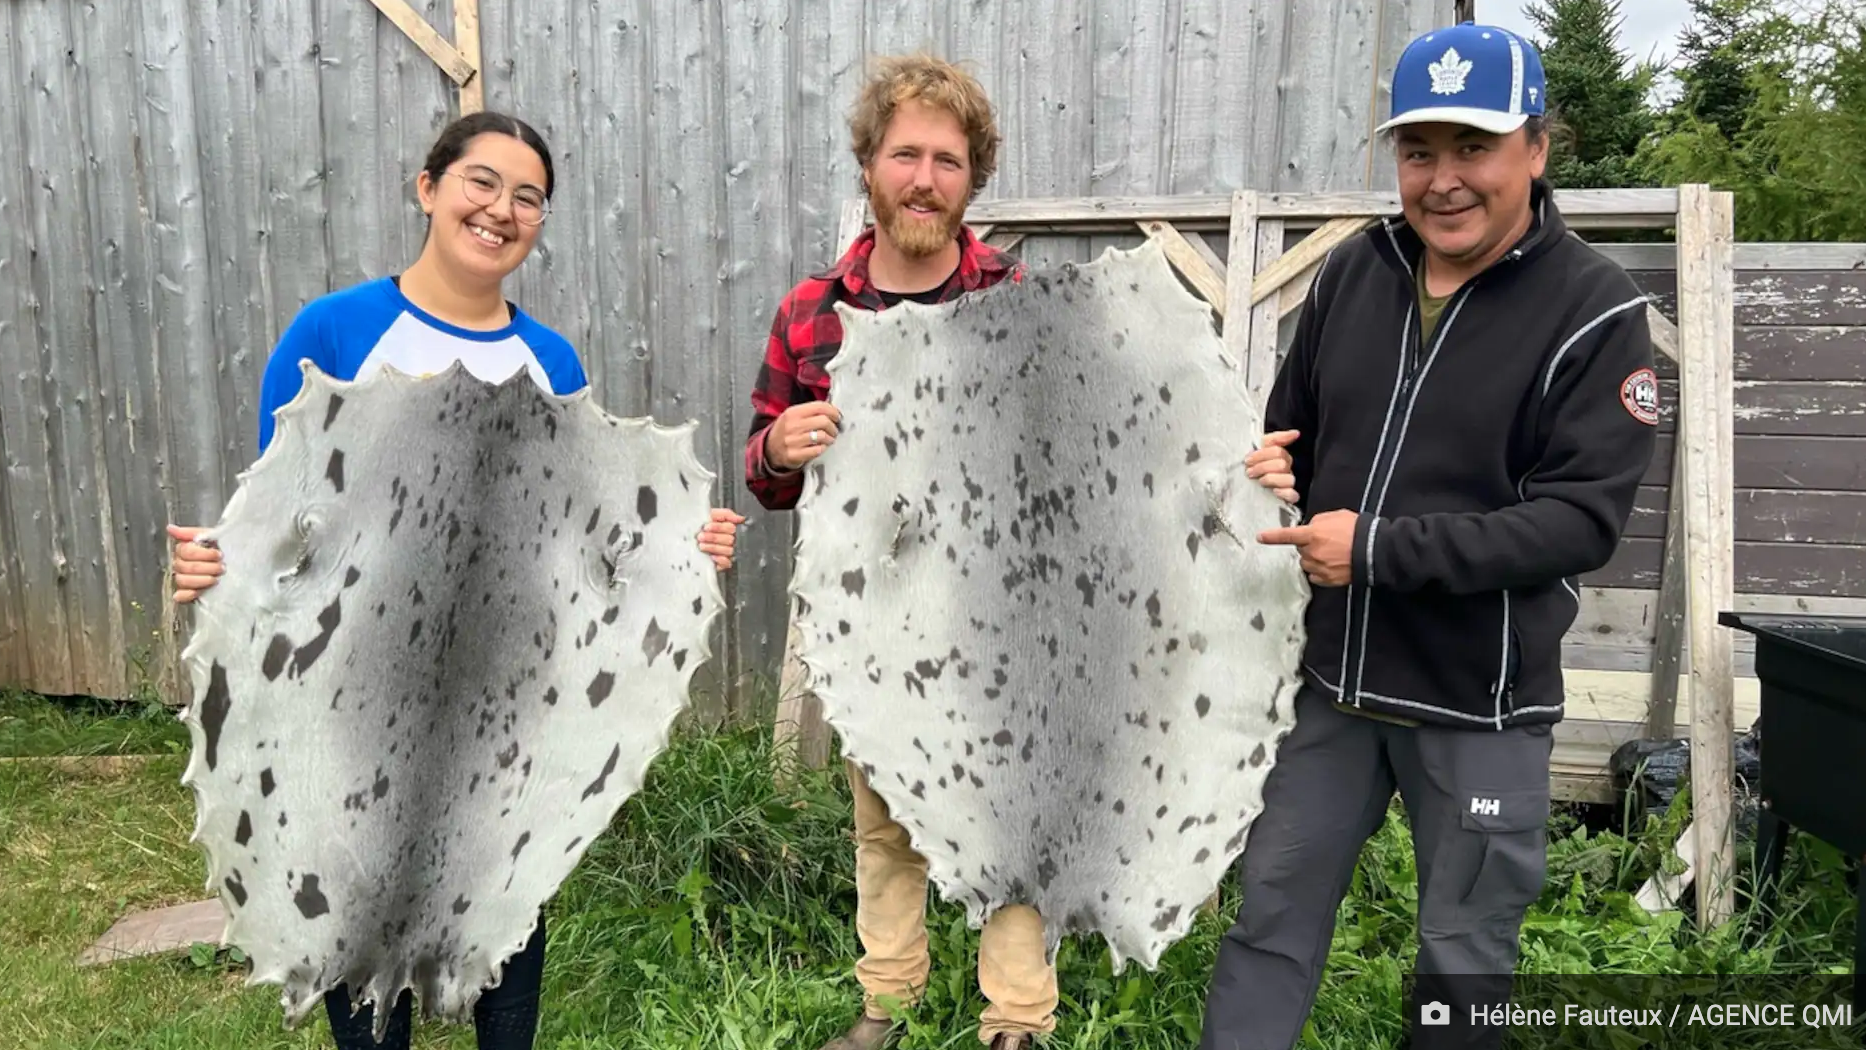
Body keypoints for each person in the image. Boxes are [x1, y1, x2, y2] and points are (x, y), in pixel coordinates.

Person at [166, 110, 743, 1050]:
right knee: (354, 910)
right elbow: (279, 514)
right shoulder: (337, 331)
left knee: (506, 899)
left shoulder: (547, 361)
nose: (502, 209)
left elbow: (576, 543)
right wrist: (214, 568)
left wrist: (677, 547)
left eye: (528, 197)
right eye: (482, 182)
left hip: (505, 698)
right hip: (347, 697)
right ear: (428, 188)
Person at [1204, 22, 1657, 1050]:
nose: (1442, 181)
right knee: (1270, 918)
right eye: (1419, 152)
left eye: (1473, 148)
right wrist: (1276, 471)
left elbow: (1577, 522)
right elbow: (1293, 434)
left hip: (1481, 706)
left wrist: (1377, 551)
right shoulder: (1356, 273)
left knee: (1464, 955)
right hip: (1334, 690)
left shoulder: (1596, 314)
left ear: (1535, 151)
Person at [742, 54, 1052, 1050]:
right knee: (887, 829)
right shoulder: (809, 310)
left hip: (995, 615)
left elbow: (1071, 459)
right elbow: (762, 473)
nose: (924, 178)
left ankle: (1017, 1017)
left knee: (1003, 819)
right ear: (870, 165)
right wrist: (778, 446)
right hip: (871, 620)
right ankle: (891, 1003)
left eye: (948, 161)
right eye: (905, 154)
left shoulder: (1015, 297)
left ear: (974, 178)